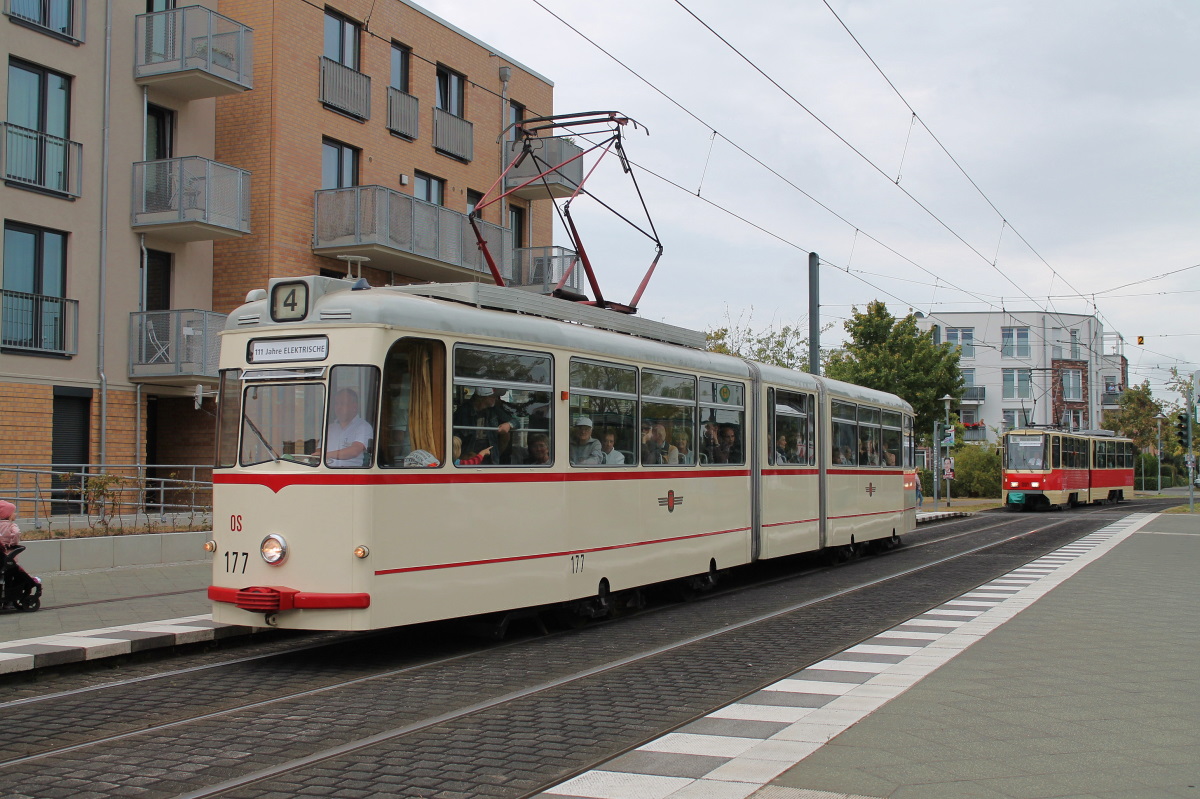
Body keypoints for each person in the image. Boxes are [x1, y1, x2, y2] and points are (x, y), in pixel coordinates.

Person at [453, 387, 514, 465]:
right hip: (470, 451)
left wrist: (509, 424)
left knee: (506, 435)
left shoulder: (494, 410)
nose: (495, 399)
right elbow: (455, 437)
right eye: (492, 396)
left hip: (491, 449)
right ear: (481, 398)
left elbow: (515, 422)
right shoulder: (463, 411)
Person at [325, 388, 373, 467]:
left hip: (351, 475)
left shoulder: (363, 427)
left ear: (354, 406)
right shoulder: (330, 428)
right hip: (326, 473)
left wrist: (326, 455)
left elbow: (355, 451)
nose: (338, 407)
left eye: (343, 403)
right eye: (336, 404)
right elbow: (320, 449)